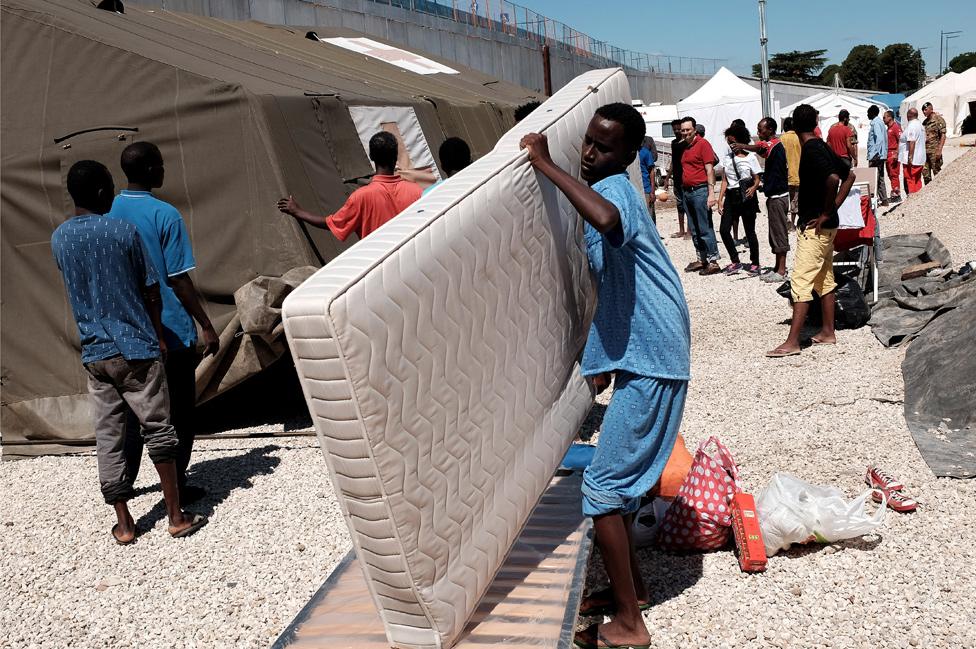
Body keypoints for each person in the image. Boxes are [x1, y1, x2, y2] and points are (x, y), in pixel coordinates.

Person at [519, 102, 689, 649]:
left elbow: (608, 221)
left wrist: (547, 164)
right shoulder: (613, 184)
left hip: (655, 354)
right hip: (650, 349)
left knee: (603, 487)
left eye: (603, 146)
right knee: (616, 481)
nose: (590, 153)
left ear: (625, 155)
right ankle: (631, 589)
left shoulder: (615, 189)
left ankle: (629, 626)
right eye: (588, 142)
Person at [51, 160, 207, 544]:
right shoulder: (123, 231)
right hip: (135, 347)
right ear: (104, 192)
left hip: (94, 353)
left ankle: (124, 524)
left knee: (110, 435)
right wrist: (157, 334)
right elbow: (151, 288)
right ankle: (175, 515)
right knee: (158, 428)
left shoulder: (59, 238)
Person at [107, 142, 219, 503]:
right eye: (160, 164)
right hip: (169, 328)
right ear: (150, 169)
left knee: (131, 409)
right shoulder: (165, 215)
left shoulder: (107, 211)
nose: (163, 170)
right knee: (178, 413)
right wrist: (205, 323)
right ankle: (178, 484)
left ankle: (125, 483)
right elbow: (177, 279)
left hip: (125, 329)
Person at [767, 104, 855, 358]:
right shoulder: (821, 145)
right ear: (816, 122)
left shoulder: (812, 150)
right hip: (827, 228)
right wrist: (833, 209)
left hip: (814, 228)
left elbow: (834, 179)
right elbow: (848, 175)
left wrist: (827, 211)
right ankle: (828, 331)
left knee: (801, 282)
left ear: (793, 126)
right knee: (824, 279)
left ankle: (793, 341)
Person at [277, 131, 422, 240]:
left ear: (371, 156)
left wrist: (297, 211)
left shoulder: (361, 197)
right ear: (396, 156)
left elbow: (332, 224)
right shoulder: (417, 192)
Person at [733, 117, 791, 280]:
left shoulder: (774, 144)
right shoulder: (772, 146)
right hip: (773, 196)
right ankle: (777, 267)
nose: (758, 132)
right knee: (774, 234)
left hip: (779, 197)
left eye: (761, 129)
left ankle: (781, 271)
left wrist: (743, 146)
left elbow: (759, 147)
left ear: (771, 130)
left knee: (779, 234)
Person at [679, 117, 721, 275]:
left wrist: (711, 194)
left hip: (700, 190)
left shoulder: (703, 144)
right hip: (687, 191)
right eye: (683, 130)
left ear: (694, 129)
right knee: (694, 228)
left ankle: (713, 260)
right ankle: (701, 258)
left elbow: (710, 170)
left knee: (704, 227)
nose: (685, 133)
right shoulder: (685, 147)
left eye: (688, 130)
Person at [717, 125, 761, 275]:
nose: (732, 145)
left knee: (750, 231)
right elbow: (724, 180)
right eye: (729, 142)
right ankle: (735, 261)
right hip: (731, 196)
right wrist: (719, 200)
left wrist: (753, 188)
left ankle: (755, 262)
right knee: (724, 230)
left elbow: (757, 178)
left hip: (746, 196)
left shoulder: (750, 158)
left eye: (734, 142)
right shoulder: (727, 159)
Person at [667, 119, 690, 239]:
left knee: (688, 205)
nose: (676, 131)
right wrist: (667, 178)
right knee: (679, 205)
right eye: (674, 129)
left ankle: (689, 231)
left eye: (678, 129)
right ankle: (681, 230)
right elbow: (673, 161)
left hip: (686, 178)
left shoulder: (687, 143)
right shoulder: (674, 143)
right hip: (676, 178)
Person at [780, 117, 802, 230]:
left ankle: (785, 221)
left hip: (785, 174)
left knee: (785, 199)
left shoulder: (781, 138)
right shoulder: (800, 137)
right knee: (795, 200)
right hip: (798, 173)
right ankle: (793, 224)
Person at [866, 106, 889, 205]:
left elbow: (879, 139)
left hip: (876, 156)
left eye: (868, 113)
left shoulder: (875, 123)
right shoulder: (880, 123)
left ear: (872, 113)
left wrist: (876, 154)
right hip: (880, 155)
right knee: (880, 178)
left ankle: (873, 201)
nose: (867, 115)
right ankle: (884, 200)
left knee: (873, 178)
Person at [899, 108, 925, 195]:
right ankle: (919, 197)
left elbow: (912, 141)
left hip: (912, 159)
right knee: (917, 180)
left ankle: (912, 197)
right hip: (919, 158)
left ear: (908, 115)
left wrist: (910, 157)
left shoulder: (912, 126)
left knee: (910, 178)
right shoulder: (920, 125)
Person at [921, 102, 947, 184]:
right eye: (923, 110)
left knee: (937, 172)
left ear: (931, 109)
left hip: (934, 151)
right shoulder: (924, 122)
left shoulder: (938, 120)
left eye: (925, 109)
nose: (924, 112)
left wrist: (939, 150)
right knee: (925, 174)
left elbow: (943, 135)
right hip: (925, 152)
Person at [883, 110, 903, 204]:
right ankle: (894, 193)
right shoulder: (888, 128)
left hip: (893, 154)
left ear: (890, 117)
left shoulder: (895, 127)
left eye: (884, 117)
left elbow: (901, 140)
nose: (883, 119)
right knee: (891, 175)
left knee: (894, 175)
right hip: (888, 154)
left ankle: (897, 194)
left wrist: (896, 153)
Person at [638, 136, 657, 223]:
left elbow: (651, 172)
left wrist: (652, 192)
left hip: (646, 189)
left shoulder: (645, 153)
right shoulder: (627, 153)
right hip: (634, 188)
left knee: (649, 217)